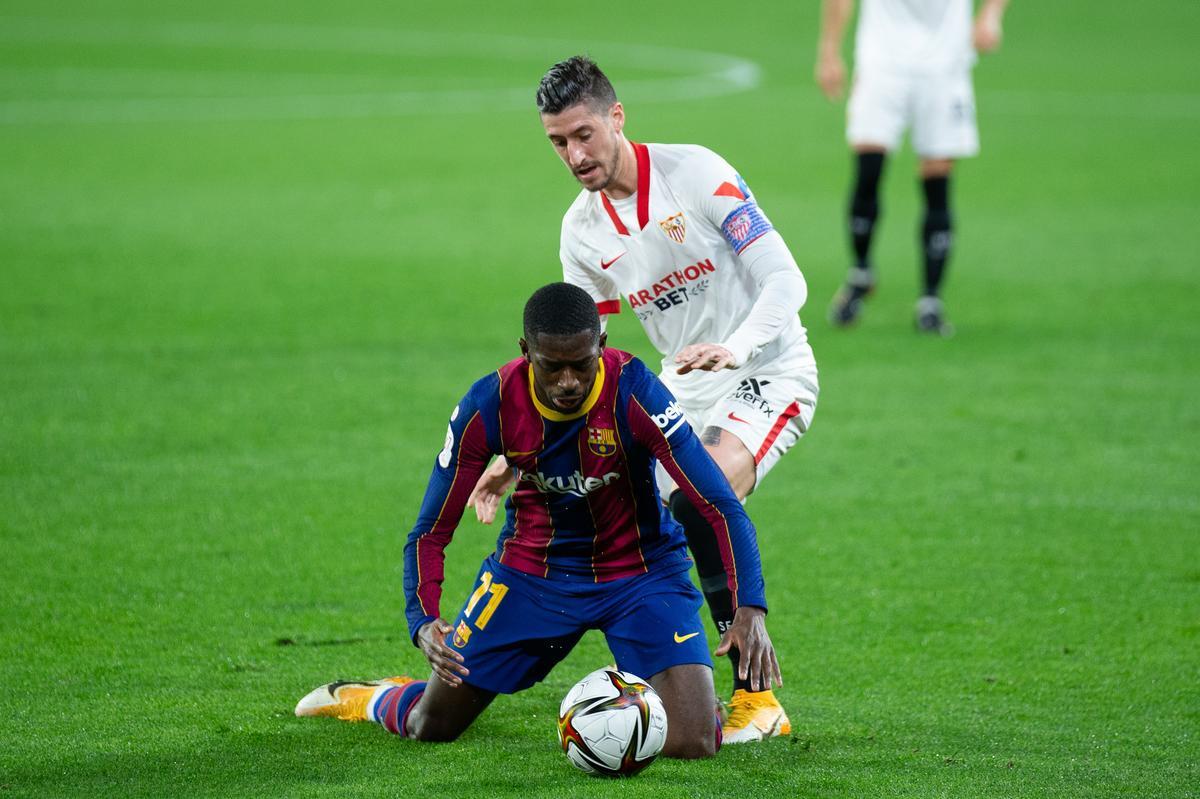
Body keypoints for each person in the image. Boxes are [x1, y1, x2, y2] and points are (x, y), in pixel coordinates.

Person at [468, 56, 818, 743]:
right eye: (558, 143)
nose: (574, 155)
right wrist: (523, 451)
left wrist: (738, 346)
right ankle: (551, 664)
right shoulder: (582, 232)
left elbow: (785, 278)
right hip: (684, 385)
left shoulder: (698, 173)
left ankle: (757, 697)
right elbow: (581, 362)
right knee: (610, 513)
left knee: (699, 494)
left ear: (617, 117)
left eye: (584, 135)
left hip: (767, 371)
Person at [295, 283, 782, 759]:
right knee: (431, 726)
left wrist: (750, 609)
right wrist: (422, 620)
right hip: (533, 575)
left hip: (642, 574)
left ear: (602, 346)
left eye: (581, 364)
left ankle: (686, 697)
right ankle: (376, 696)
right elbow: (431, 531)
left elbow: (717, 503)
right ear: (527, 351)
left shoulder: (638, 394)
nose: (568, 381)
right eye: (553, 367)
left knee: (691, 742)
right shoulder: (489, 405)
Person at [818, 0, 1010, 335]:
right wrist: (830, 51)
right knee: (868, 168)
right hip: (882, 63)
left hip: (945, 66)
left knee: (937, 179)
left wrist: (991, 16)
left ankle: (930, 301)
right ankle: (861, 273)